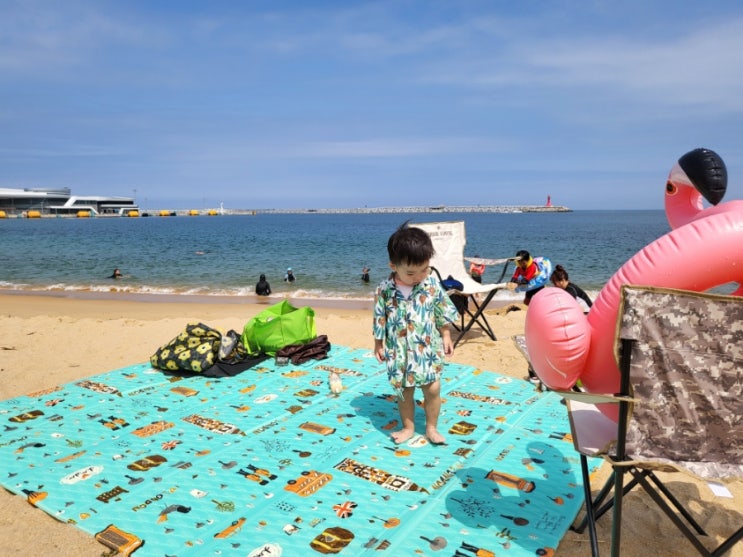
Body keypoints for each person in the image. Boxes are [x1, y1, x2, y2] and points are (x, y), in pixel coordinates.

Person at [373, 221, 459, 445]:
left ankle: (431, 427)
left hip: (426, 350)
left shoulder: (431, 284)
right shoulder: (384, 290)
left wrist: (446, 335)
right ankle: (408, 427)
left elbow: (441, 311)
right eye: (411, 272)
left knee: (433, 388)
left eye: (424, 269)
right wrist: (378, 343)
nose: (418, 276)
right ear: (393, 266)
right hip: (398, 352)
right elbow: (380, 317)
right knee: (404, 392)